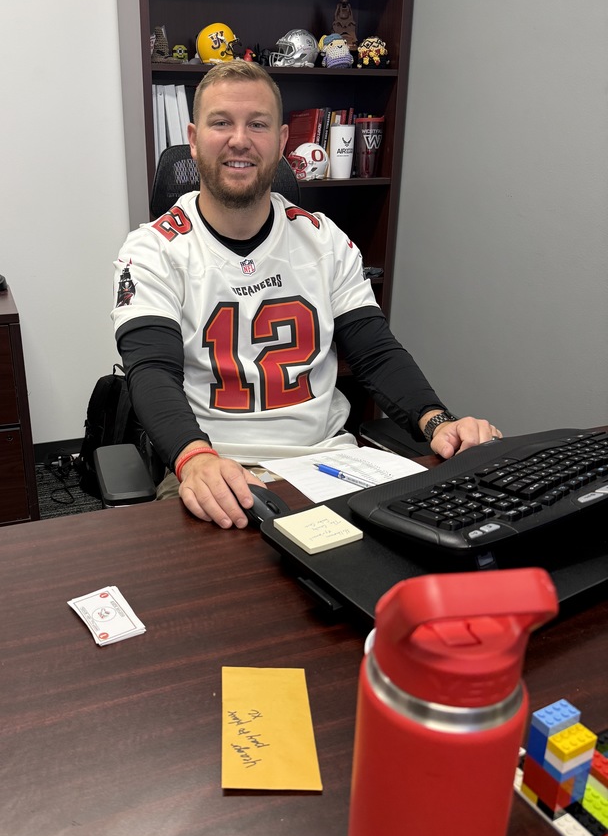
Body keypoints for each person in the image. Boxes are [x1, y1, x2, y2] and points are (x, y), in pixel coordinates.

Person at [112, 62, 501, 529]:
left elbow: (375, 353)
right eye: (222, 123)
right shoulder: (152, 248)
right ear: (194, 140)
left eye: (257, 124)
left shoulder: (324, 239)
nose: (240, 139)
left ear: (280, 141)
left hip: (331, 464)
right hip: (216, 469)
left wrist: (439, 421)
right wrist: (194, 458)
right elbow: (152, 371)